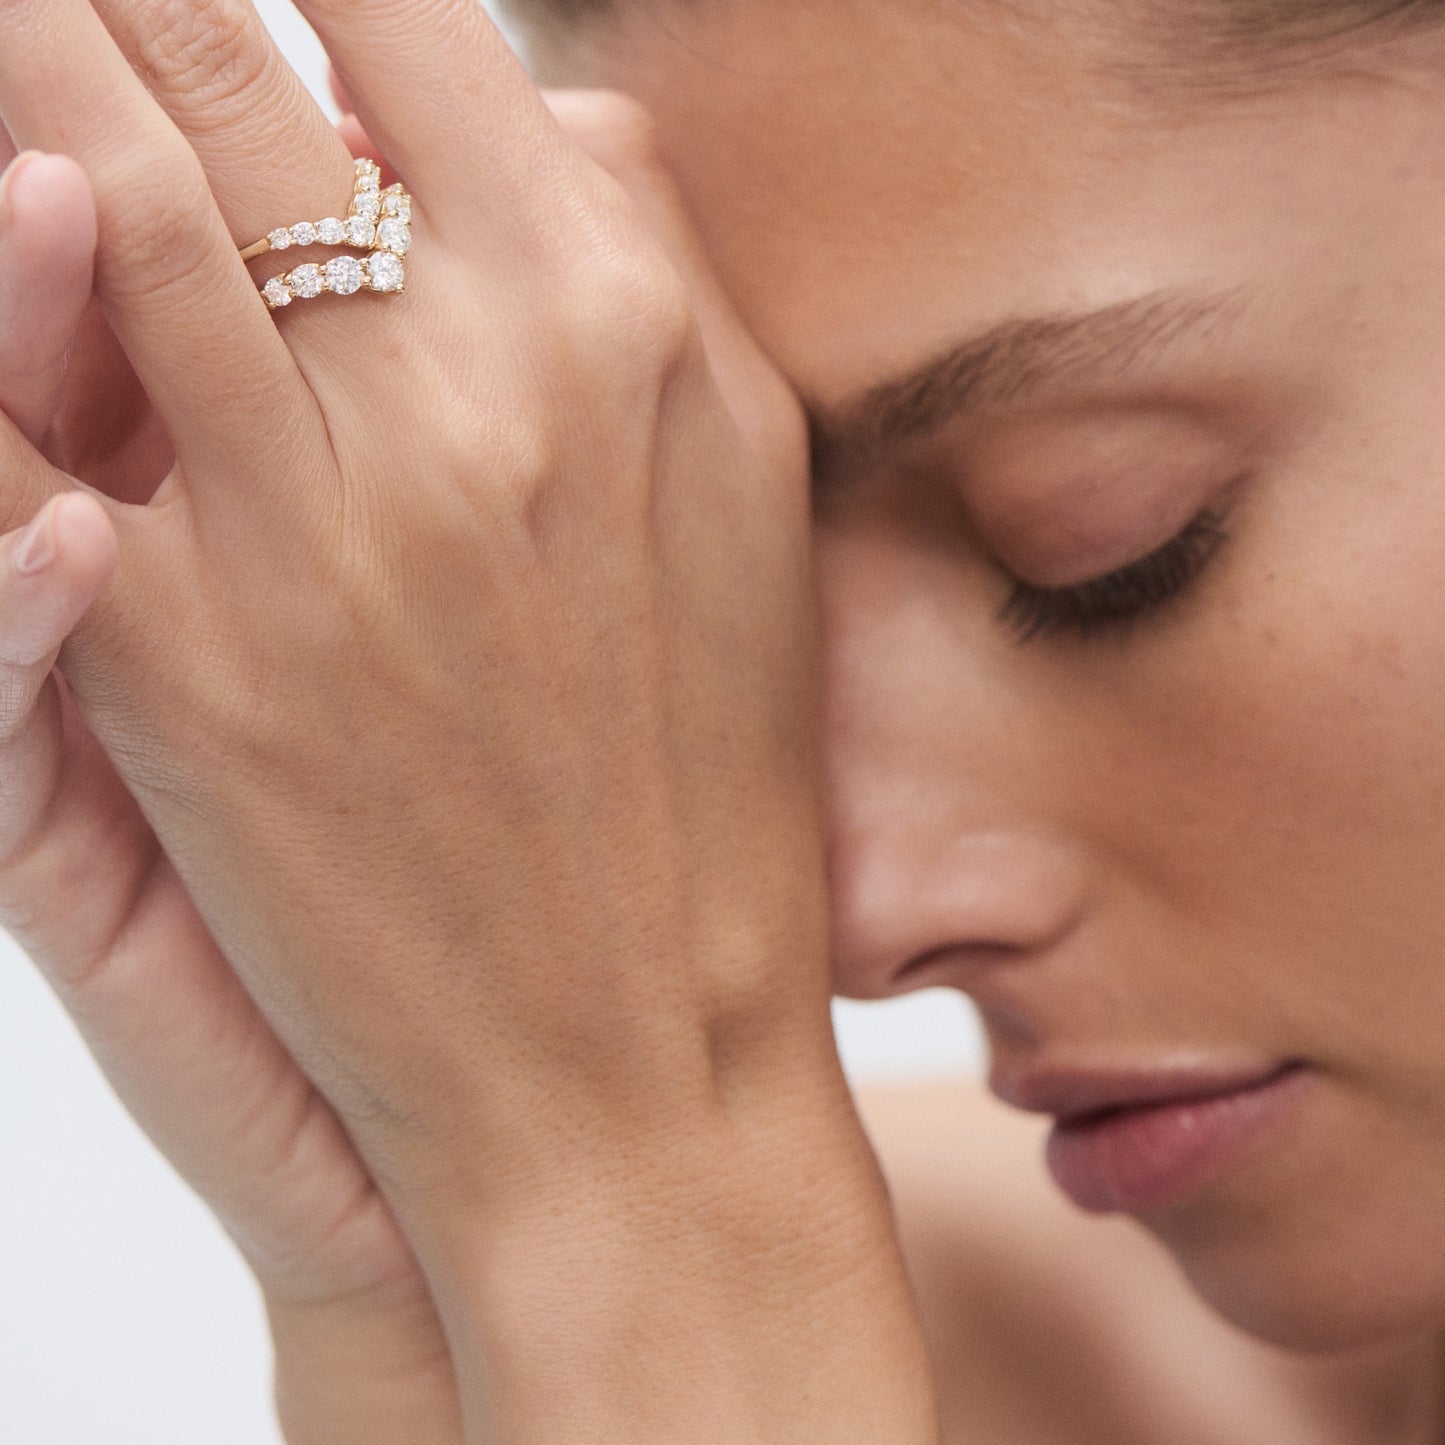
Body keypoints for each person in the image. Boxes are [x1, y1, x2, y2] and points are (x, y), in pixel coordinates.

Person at [3, 0, 1445, 1438]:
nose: (860, 920)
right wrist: (427, 1290)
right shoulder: (930, 1347)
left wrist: (642, 1228)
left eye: (1103, 549)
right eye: (753, 627)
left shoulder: (728, 1275)